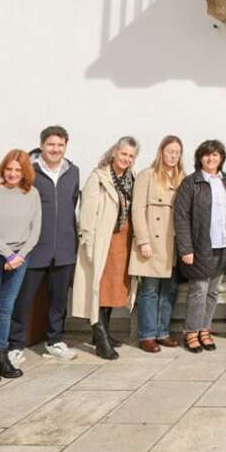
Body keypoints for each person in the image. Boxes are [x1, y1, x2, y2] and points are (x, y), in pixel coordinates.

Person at [8, 126, 80, 367]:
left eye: (60, 145)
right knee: (24, 299)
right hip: (34, 248)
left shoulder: (73, 172)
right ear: (41, 145)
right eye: (51, 144)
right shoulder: (29, 171)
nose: (55, 149)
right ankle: (15, 345)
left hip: (64, 248)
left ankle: (55, 341)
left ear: (66, 146)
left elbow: (71, 205)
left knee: (59, 300)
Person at [0, 149, 41, 383]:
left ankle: (1, 356)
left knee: (6, 310)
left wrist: (19, 256)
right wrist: (7, 255)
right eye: (9, 169)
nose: (13, 173)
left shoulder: (32, 194)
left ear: (25, 172)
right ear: (3, 169)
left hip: (20, 258)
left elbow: (35, 231)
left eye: (18, 170)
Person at [72, 137, 139, 361]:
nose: (126, 159)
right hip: (103, 241)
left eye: (131, 156)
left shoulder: (131, 178)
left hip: (122, 240)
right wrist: (88, 243)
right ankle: (99, 337)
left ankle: (104, 331)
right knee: (98, 287)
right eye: (123, 154)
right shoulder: (98, 178)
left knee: (112, 289)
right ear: (114, 153)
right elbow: (86, 214)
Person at [174, 140, 226, 354]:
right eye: (207, 155)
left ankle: (205, 329)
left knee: (213, 291)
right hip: (199, 246)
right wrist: (186, 249)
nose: (211, 159)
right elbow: (181, 218)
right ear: (200, 158)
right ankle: (191, 331)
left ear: (221, 158)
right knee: (198, 290)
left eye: (216, 155)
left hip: (222, 245)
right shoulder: (191, 183)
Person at [129, 136, 184, 353]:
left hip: (172, 243)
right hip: (152, 242)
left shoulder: (181, 178)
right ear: (161, 152)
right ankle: (147, 335)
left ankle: (163, 332)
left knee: (169, 290)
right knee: (150, 290)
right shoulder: (147, 176)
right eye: (169, 151)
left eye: (177, 152)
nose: (173, 155)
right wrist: (143, 241)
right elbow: (137, 210)